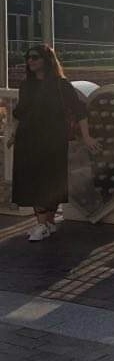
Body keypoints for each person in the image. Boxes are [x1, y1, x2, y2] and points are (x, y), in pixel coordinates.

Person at [7, 45, 101, 242]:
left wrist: (86, 136)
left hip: (53, 139)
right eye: (28, 58)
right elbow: (20, 112)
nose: (30, 61)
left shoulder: (61, 85)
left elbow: (79, 111)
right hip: (28, 138)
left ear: (47, 60)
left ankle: (45, 224)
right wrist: (14, 134)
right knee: (34, 180)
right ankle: (45, 224)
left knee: (50, 180)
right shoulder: (27, 85)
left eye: (35, 57)